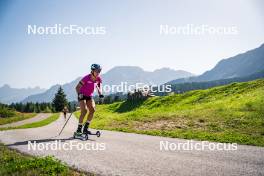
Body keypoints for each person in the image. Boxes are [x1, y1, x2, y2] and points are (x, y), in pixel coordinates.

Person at [75, 64, 104, 134]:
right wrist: (79, 94)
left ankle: (85, 128)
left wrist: (100, 94)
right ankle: (79, 129)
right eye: (97, 71)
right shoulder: (86, 78)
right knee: (84, 111)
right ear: (93, 71)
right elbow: (77, 87)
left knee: (92, 110)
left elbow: (99, 87)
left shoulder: (98, 79)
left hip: (89, 96)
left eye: (99, 71)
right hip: (82, 95)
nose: (98, 72)